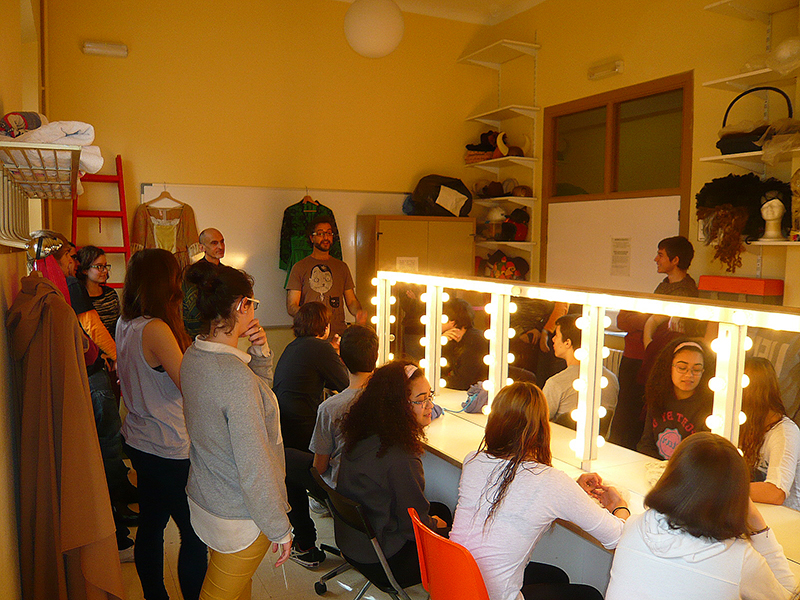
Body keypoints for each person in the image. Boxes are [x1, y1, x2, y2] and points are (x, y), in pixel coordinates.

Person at [450, 381, 629, 600]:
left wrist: (570, 488)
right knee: (589, 595)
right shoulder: (550, 482)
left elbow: (518, 489)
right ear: (542, 428)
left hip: (453, 586)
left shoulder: (473, 461)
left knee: (556, 577)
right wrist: (619, 506)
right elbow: (618, 538)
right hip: (490, 596)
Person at [180, 264, 292, 600]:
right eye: (251, 304)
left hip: (207, 498)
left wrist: (259, 355)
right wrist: (279, 527)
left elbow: (252, 399)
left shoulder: (193, 356)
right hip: (240, 516)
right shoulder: (235, 379)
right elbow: (254, 464)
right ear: (242, 305)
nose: (253, 310)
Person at [116, 248, 207, 600]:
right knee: (193, 533)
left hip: (140, 440)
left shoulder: (126, 323)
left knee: (152, 526)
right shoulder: (155, 329)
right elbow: (190, 386)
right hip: (169, 446)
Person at [606, 433, 797, 600]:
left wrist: (620, 509)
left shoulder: (635, 525)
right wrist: (758, 524)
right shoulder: (739, 559)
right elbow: (788, 595)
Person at [337, 360, 451, 589]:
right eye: (421, 400)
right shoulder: (400, 457)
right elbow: (412, 527)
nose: (429, 405)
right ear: (398, 406)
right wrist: (435, 526)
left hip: (352, 542)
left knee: (440, 510)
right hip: (382, 560)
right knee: (450, 528)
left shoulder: (364, 434)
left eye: (430, 396)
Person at [272, 301, 349, 567]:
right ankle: (319, 534)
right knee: (327, 473)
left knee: (293, 479)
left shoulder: (293, 346)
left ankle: (304, 541)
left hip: (284, 426)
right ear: (325, 326)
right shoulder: (320, 348)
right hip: (303, 427)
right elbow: (347, 385)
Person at [612, 235, 700, 450]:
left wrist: (641, 325)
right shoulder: (664, 286)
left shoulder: (685, 292)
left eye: (660, 255)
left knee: (635, 414)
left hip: (652, 359)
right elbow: (629, 320)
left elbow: (658, 325)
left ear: (675, 260)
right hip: (638, 357)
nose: (656, 259)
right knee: (625, 410)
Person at [310, 324, 379, 488]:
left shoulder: (329, 408)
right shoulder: (391, 400)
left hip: (343, 491)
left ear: (341, 360)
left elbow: (319, 468)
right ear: (376, 356)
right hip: (378, 487)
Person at [285, 215, 366, 339]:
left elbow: (351, 301)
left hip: (338, 335)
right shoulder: (299, 267)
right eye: (320, 233)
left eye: (329, 233)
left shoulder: (342, 267)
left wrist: (358, 312)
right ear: (312, 238)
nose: (325, 237)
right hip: (310, 336)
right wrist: (311, 318)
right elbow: (292, 306)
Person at [542, 313, 618, 435]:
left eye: (557, 335)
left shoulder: (556, 383)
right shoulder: (611, 379)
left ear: (567, 342)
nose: (553, 339)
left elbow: (539, 424)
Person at [637, 338, 713, 460]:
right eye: (682, 367)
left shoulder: (708, 408)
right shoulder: (658, 397)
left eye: (697, 369)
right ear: (669, 367)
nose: (689, 375)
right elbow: (646, 444)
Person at [740, 357, 800, 510]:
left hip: (787, 519)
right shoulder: (742, 424)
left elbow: (776, 493)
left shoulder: (785, 432)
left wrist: (726, 489)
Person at [76, 245, 121, 339]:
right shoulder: (79, 297)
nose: (105, 271)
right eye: (99, 266)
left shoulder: (110, 294)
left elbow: (118, 326)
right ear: (85, 270)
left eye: (105, 266)